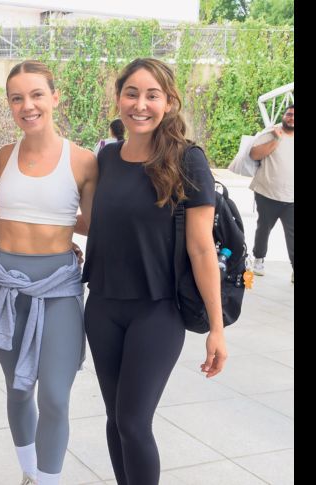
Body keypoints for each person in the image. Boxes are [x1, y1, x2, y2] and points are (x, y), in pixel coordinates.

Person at [81, 58, 227, 485]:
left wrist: (217, 328)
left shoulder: (187, 159)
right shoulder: (106, 158)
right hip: (104, 306)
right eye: (132, 93)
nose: (140, 104)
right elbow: (94, 222)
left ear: (169, 102)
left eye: (152, 95)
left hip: (157, 311)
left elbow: (201, 249)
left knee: (133, 422)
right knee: (114, 419)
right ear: (118, 97)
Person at [0, 60, 97, 485]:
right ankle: (30, 475)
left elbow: (95, 223)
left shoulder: (84, 161)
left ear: (55, 97)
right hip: (6, 285)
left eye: (36, 95)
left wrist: (62, 234)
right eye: (17, 98)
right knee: (18, 390)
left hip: (58, 288)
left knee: (54, 395)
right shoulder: (2, 157)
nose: (27, 105)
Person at [248, 104, 294, 282]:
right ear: (284, 116)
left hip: (291, 197)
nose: (291, 118)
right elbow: (254, 155)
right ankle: (258, 260)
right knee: (264, 228)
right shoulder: (270, 133)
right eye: (289, 114)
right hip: (267, 192)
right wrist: (276, 139)